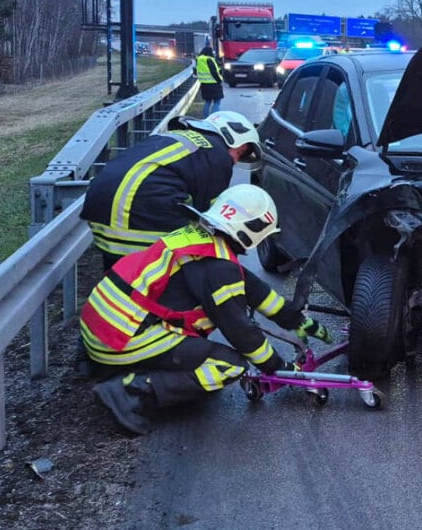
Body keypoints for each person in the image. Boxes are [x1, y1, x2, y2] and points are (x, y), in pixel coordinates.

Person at [82, 184, 332, 435]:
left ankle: (107, 367)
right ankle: (128, 392)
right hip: (121, 338)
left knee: (196, 352)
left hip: (100, 327)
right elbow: (241, 332)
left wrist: (292, 317)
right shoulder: (218, 268)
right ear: (251, 231)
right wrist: (278, 368)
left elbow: (250, 287)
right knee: (229, 365)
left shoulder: (199, 238)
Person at [80, 110, 262, 270]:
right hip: (139, 214)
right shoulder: (218, 155)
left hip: (99, 210)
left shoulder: (172, 137)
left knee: (119, 275)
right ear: (229, 136)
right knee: (195, 253)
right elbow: (210, 218)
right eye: (239, 153)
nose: (236, 161)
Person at [195, 46, 224, 116]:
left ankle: (206, 117)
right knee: (217, 102)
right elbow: (214, 72)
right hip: (214, 84)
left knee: (207, 102)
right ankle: (214, 117)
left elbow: (196, 71)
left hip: (204, 84)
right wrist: (219, 80)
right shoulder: (209, 59)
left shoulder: (198, 59)